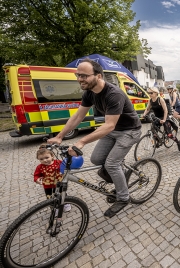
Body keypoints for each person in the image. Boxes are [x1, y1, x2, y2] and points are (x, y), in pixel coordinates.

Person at [48, 59, 142, 218]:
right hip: (113, 130)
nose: (79, 79)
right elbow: (78, 116)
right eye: (78, 75)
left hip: (129, 131)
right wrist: (59, 136)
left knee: (111, 164)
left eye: (84, 76)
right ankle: (122, 174)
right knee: (97, 159)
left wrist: (82, 141)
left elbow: (109, 125)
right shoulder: (89, 93)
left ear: (98, 76)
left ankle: (123, 198)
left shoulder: (114, 94)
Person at [143, 87, 180, 151]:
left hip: (164, 117)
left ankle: (178, 142)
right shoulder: (150, 100)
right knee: (154, 131)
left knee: (169, 134)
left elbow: (165, 110)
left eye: (151, 93)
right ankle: (158, 142)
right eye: (148, 93)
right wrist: (144, 115)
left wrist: (164, 119)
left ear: (156, 93)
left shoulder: (160, 99)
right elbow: (147, 109)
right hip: (157, 118)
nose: (150, 94)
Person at [34, 145, 71, 211]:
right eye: (41, 159)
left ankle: (66, 204)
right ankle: (54, 208)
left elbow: (65, 167)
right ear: (38, 159)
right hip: (48, 186)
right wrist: (37, 179)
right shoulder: (39, 167)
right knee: (50, 198)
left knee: (63, 194)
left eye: (47, 157)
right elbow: (36, 175)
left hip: (60, 183)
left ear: (52, 156)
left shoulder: (58, 162)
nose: (45, 160)